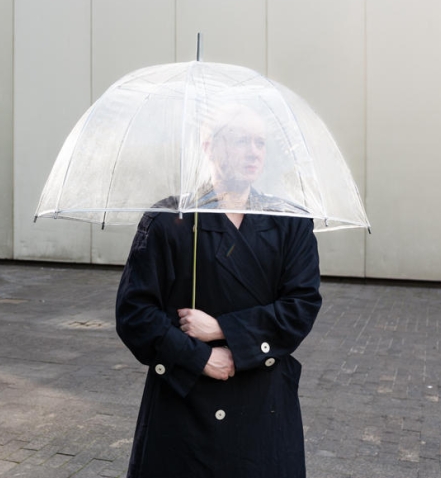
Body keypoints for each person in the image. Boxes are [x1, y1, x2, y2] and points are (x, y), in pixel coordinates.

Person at [115, 103, 322, 478]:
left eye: (260, 142)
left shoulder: (290, 222)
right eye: (241, 140)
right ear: (209, 145)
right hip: (184, 406)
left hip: (262, 406)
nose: (254, 151)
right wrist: (198, 358)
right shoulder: (168, 220)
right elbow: (135, 315)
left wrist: (224, 329)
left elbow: (301, 306)